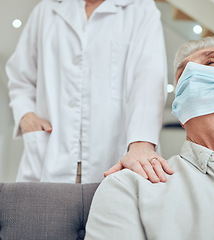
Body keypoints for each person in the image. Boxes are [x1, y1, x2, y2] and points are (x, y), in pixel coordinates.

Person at [84, 37, 214, 240]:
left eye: (210, 62)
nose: (191, 74)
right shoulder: (130, 186)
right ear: (181, 112)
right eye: (182, 73)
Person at [6, 0, 174, 183]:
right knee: (41, 210)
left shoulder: (141, 9)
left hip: (114, 156)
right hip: (49, 154)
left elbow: (149, 79)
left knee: (112, 206)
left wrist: (142, 142)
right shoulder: (46, 9)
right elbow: (20, 76)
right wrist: (26, 116)